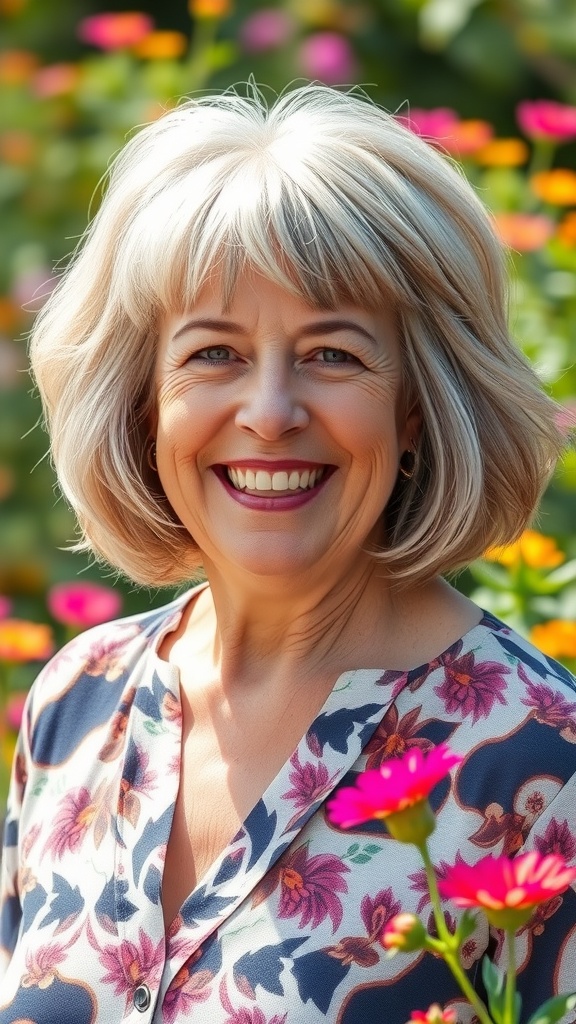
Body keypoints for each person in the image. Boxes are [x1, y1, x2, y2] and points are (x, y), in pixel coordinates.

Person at [0, 83, 575, 1024]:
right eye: (214, 355)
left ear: (421, 405)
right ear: (144, 402)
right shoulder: (76, 702)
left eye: (333, 355)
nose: (269, 413)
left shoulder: (543, 763)